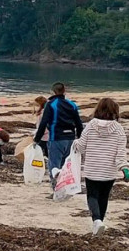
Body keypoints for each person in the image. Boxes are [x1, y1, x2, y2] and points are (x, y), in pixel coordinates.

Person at [73, 98, 129, 236]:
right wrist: (124, 168)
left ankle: (97, 221)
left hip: (92, 169)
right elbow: (121, 153)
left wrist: (75, 143)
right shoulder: (119, 129)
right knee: (103, 197)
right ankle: (99, 222)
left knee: (92, 196)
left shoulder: (90, 126)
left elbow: (81, 146)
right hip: (109, 171)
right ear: (114, 111)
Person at [34, 82, 83, 188]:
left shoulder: (51, 104)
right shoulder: (72, 104)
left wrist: (36, 139)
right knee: (66, 165)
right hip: (70, 138)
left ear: (52, 91)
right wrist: (79, 138)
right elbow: (79, 123)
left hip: (56, 138)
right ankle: (64, 187)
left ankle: (56, 188)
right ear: (64, 91)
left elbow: (43, 122)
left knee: (54, 165)